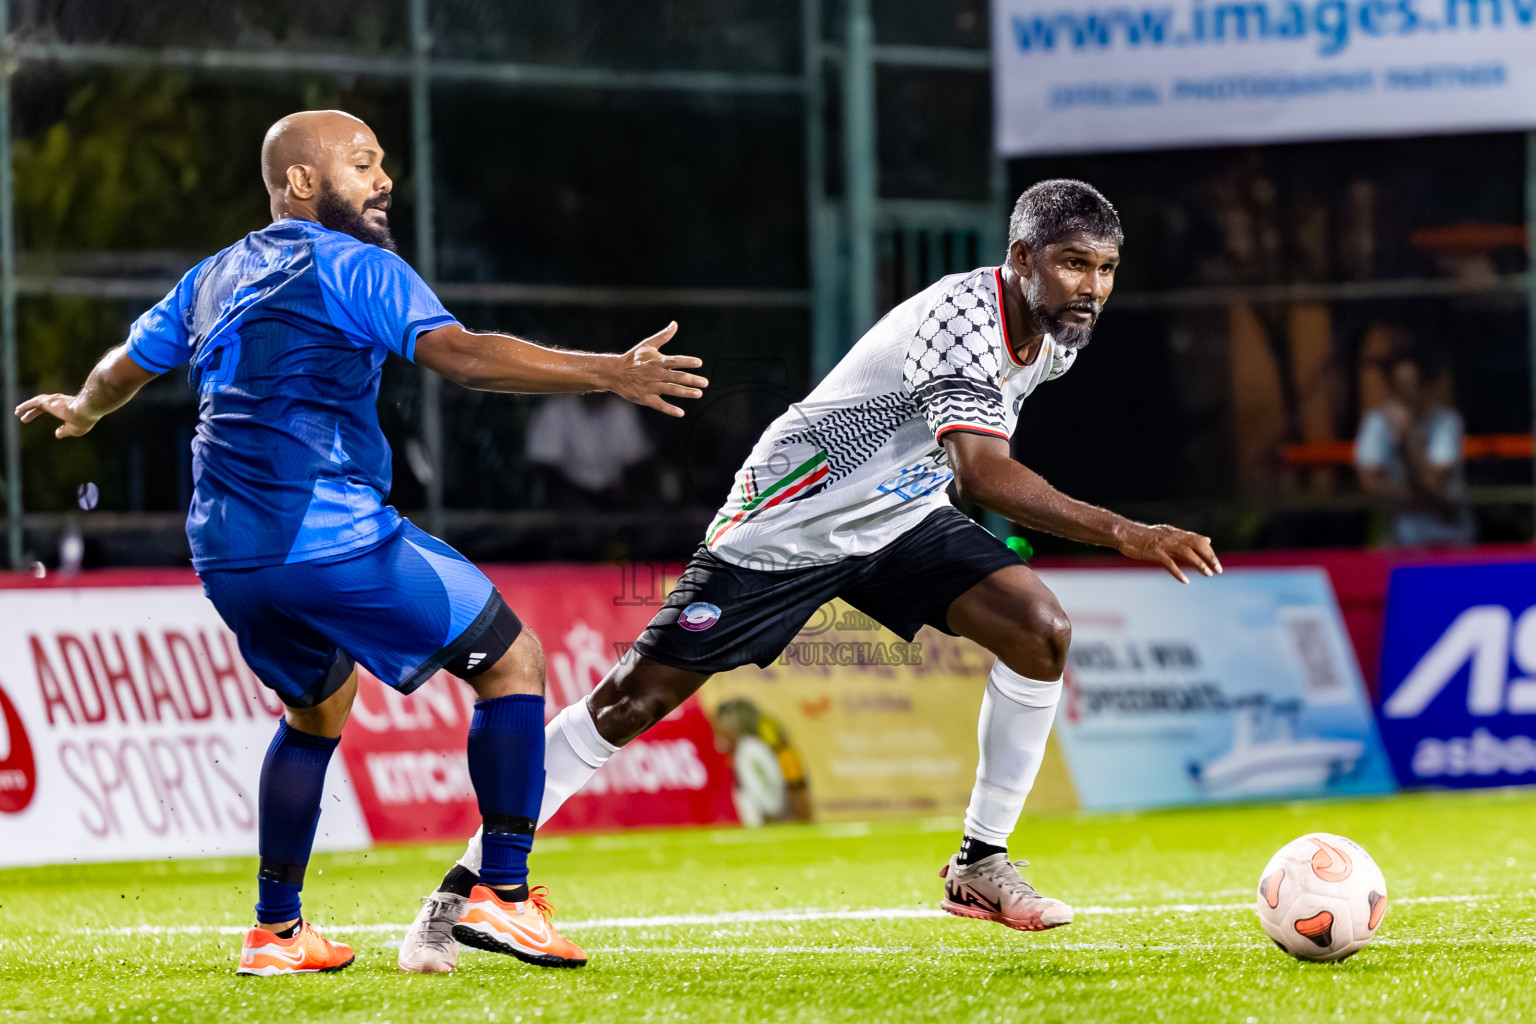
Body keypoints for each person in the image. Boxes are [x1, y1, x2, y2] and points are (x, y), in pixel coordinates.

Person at [398, 179, 1222, 973]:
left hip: (897, 516)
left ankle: (980, 862)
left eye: (1106, 268)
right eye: (1074, 263)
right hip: (790, 521)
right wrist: (1127, 532)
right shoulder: (963, 320)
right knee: (629, 703)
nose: (1093, 287)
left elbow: (961, 461)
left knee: (1041, 631)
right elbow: (982, 475)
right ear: (1021, 257)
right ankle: (462, 890)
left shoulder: (1055, 336)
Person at [14, 109, 708, 975]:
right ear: (302, 182)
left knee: (317, 709)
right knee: (515, 662)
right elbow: (463, 357)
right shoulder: (354, 265)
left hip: (226, 554)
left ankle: (276, 932)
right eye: (363, 163)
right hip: (325, 536)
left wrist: (82, 410)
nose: (384, 181)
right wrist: (609, 372)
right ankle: (504, 892)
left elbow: (123, 367)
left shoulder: (211, 277)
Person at [1355, 350, 1474, 547]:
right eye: (1400, 385)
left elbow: (1435, 484)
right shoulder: (1377, 422)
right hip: (1399, 535)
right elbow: (1370, 484)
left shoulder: (1446, 422)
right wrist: (1418, 498)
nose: (1407, 393)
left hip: (1449, 532)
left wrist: (1407, 445)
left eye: (1413, 384)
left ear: (1426, 386)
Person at [526, 392, 654, 508]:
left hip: (613, 498)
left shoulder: (621, 411)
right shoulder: (555, 410)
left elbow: (635, 462)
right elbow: (546, 465)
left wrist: (623, 497)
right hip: (568, 498)